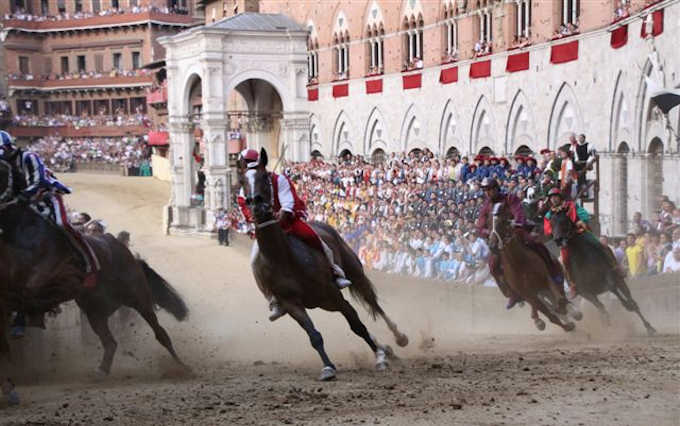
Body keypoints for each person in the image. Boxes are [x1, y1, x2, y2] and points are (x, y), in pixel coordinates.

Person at [236, 149, 352, 321]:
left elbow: (288, 201)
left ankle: (335, 272)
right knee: (254, 261)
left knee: (315, 237)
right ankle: (274, 299)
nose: (247, 169)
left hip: (288, 223)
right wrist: (252, 216)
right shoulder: (245, 188)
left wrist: (282, 213)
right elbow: (245, 209)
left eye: (247, 165)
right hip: (266, 230)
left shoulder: (278, 179)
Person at [476, 177, 564, 309]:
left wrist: (517, 223)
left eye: (489, 190)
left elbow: (519, 213)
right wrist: (489, 232)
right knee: (493, 265)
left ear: (495, 188)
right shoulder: (486, 206)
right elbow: (480, 226)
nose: (487, 193)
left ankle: (553, 271)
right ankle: (511, 293)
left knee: (537, 245)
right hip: (498, 240)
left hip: (516, 234)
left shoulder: (509, 198)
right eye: (485, 190)